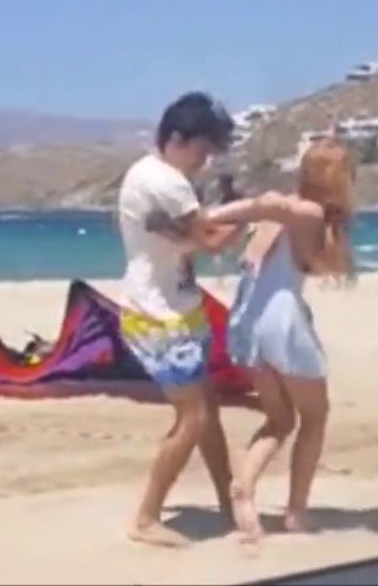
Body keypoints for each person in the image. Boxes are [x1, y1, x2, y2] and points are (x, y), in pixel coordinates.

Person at [116, 91, 270, 549]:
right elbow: (213, 240)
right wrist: (252, 212)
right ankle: (146, 517)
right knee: (194, 417)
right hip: (158, 316)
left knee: (206, 412)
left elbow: (193, 237)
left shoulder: (146, 173)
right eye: (203, 149)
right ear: (179, 139)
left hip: (173, 308)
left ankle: (227, 499)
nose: (206, 160)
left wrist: (230, 215)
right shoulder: (169, 185)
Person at [205, 137, 356, 544]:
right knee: (315, 416)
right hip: (282, 321)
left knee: (280, 420)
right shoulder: (306, 211)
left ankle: (244, 488)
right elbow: (270, 204)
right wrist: (207, 215)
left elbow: (269, 220)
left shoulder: (291, 220)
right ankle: (296, 513)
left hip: (250, 326)